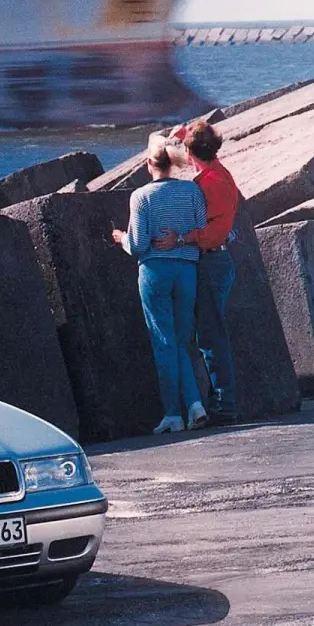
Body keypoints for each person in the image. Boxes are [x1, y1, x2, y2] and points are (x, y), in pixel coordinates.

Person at [112, 140, 208, 434]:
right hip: (187, 270)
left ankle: (172, 415)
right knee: (181, 341)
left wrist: (120, 238)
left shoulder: (141, 196)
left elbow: (139, 245)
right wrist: (180, 238)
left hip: (156, 271)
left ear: (148, 165)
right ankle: (195, 405)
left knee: (163, 342)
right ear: (172, 163)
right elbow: (201, 229)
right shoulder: (192, 190)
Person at [152, 121, 240, 424]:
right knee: (208, 335)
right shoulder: (216, 173)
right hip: (216, 262)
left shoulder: (211, 183)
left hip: (212, 263)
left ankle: (225, 405)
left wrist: (181, 238)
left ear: (190, 151)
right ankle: (220, 402)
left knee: (211, 337)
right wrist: (179, 135)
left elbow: (215, 232)